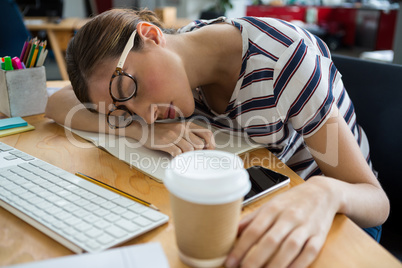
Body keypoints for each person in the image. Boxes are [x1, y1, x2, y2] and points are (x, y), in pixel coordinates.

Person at [45, 8, 389, 268]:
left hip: (337, 212)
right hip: (256, 195)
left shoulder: (286, 61)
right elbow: (57, 102)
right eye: (124, 110)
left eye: (127, 87)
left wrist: (322, 192)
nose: (146, 112)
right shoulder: (181, 65)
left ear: (150, 35)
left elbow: (375, 201)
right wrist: (140, 129)